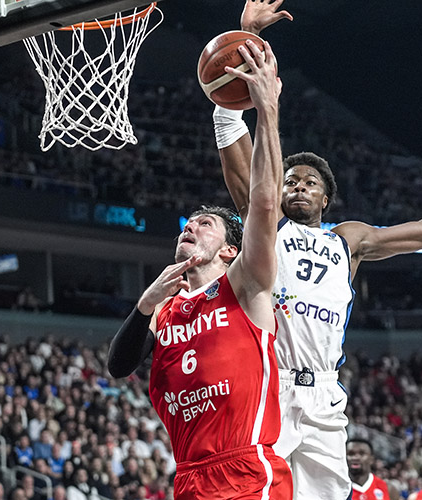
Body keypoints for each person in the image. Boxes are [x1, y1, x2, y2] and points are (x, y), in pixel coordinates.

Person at [213, 2, 422, 498]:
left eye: (309, 182)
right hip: (270, 383)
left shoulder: (349, 239)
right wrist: (247, 39)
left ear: (326, 198)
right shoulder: (266, 222)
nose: (297, 187)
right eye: (290, 180)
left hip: (324, 391)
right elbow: (233, 137)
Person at [108, 39, 292, 499]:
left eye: (205, 224)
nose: (190, 225)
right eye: (188, 223)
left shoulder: (245, 283)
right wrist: (146, 304)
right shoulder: (165, 311)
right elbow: (118, 366)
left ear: (230, 250)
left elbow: (264, 203)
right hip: (189, 477)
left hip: (246, 470)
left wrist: (267, 112)